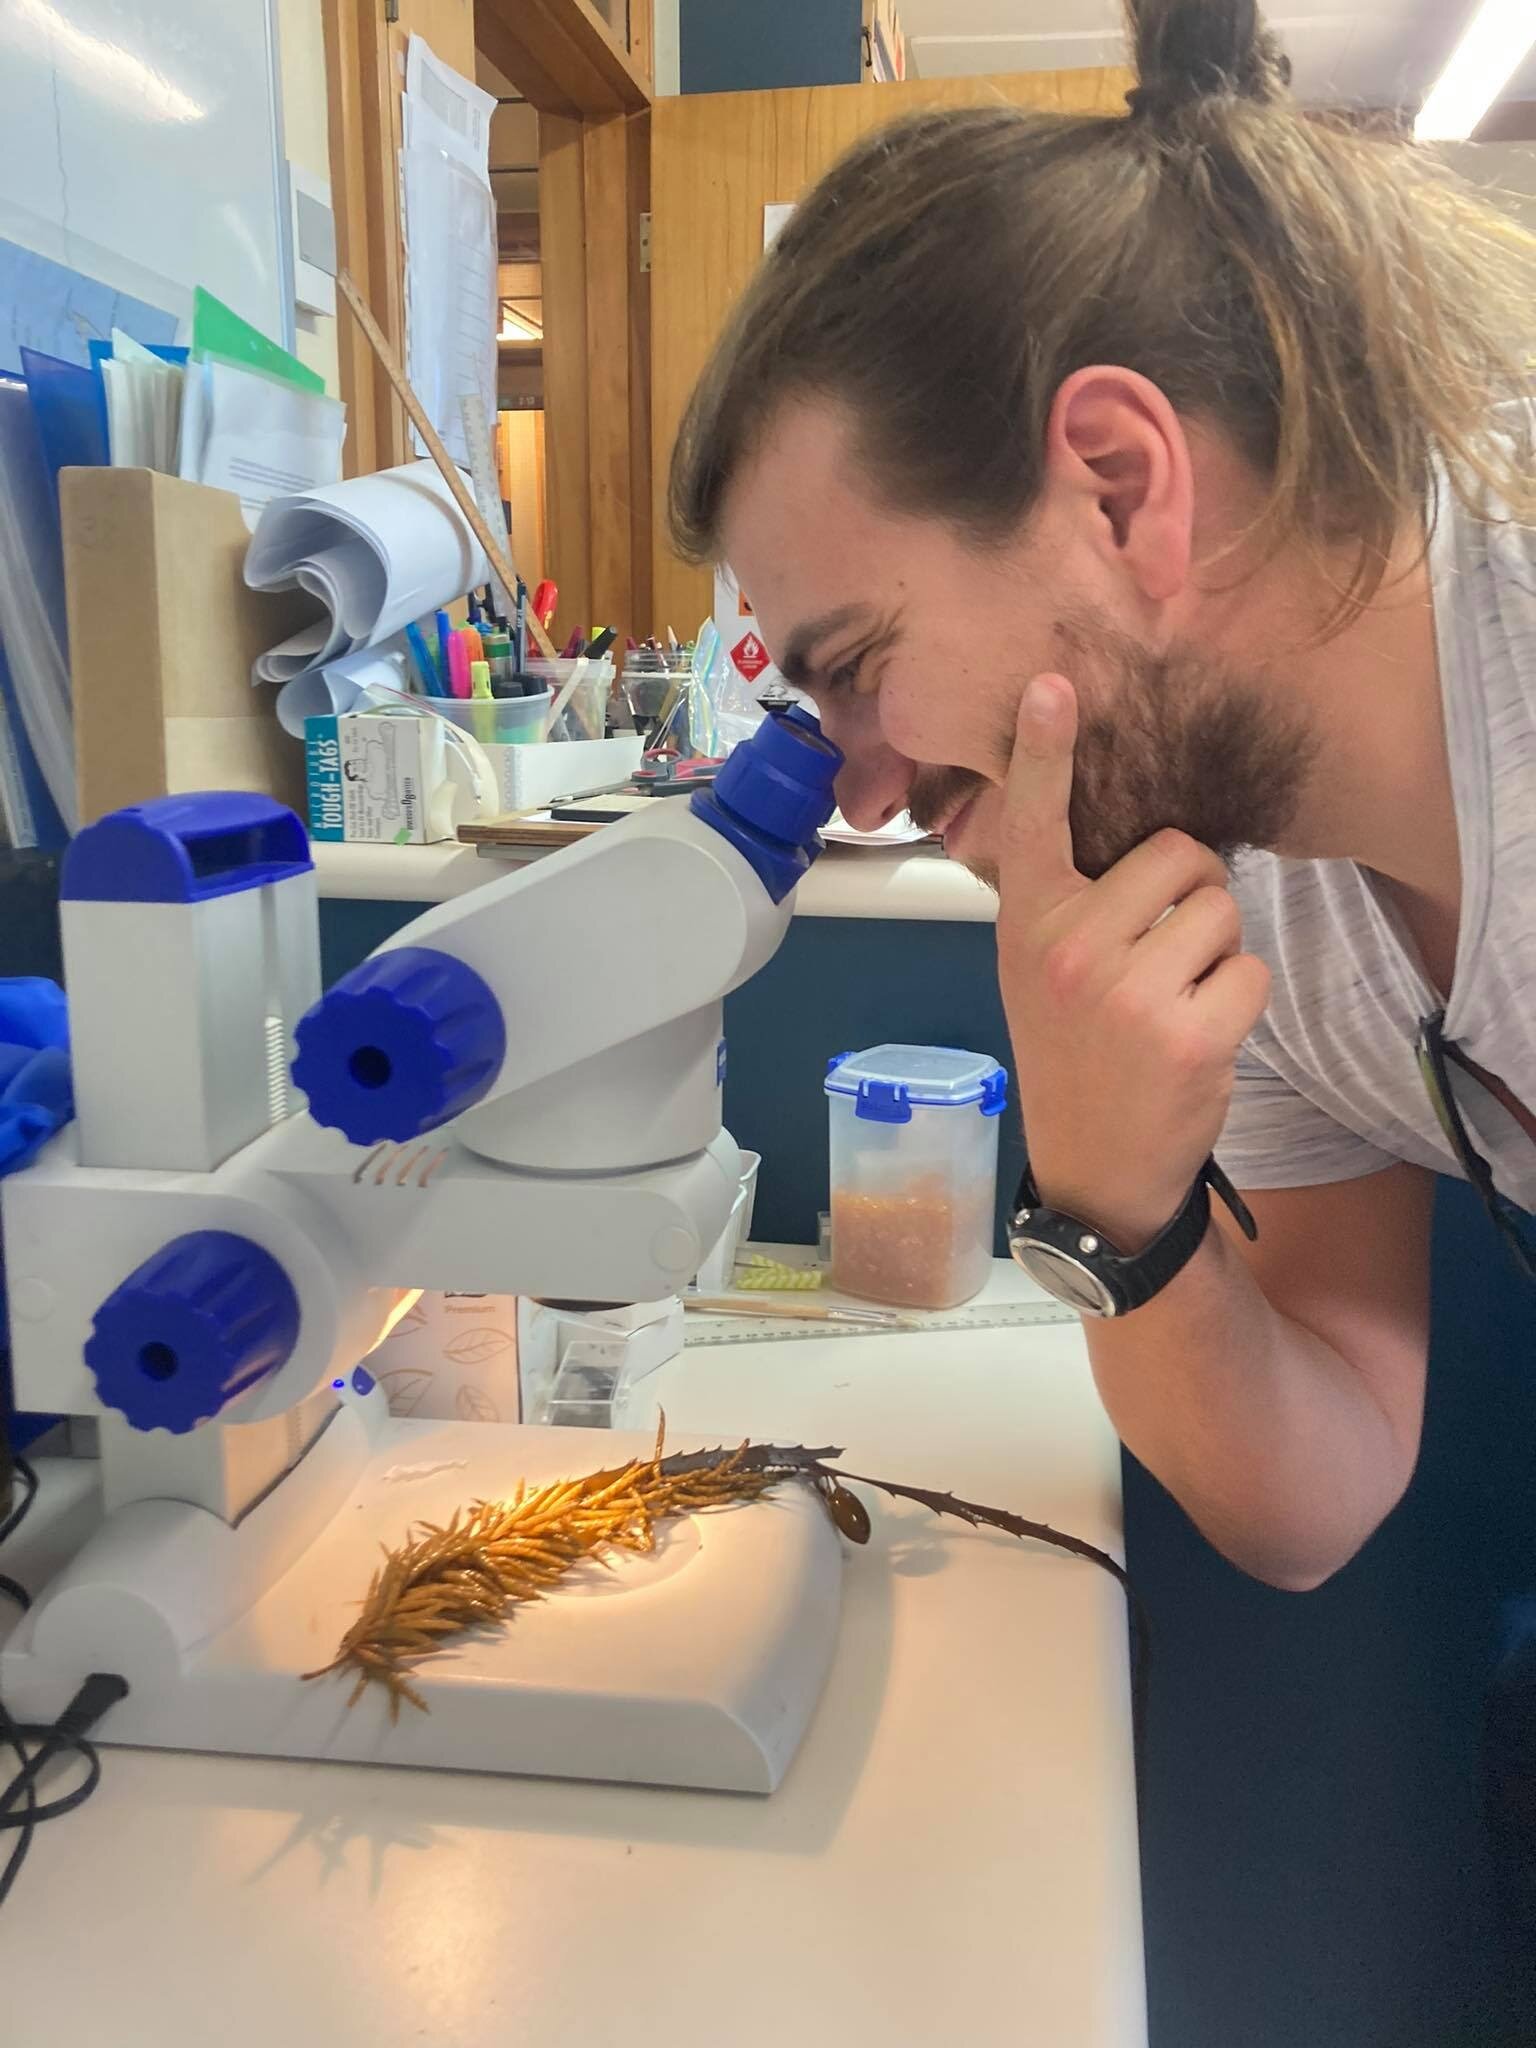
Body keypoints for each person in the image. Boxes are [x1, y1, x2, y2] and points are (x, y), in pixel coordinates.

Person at [668, 0, 1536, 1601]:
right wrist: (1113, 1201)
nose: (860, 793)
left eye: (858, 661)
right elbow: (1314, 1489)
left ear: (1121, 486)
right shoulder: (1245, 876)